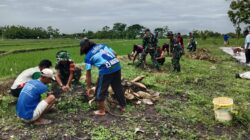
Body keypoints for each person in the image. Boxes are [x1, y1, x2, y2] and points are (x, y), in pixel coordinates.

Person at [80, 38, 126, 116]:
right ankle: (123, 106)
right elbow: (115, 53)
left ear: (83, 48)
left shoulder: (88, 57)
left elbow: (88, 74)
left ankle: (101, 111)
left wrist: (88, 87)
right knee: (117, 87)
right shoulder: (102, 45)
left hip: (106, 70)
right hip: (116, 65)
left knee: (100, 90)